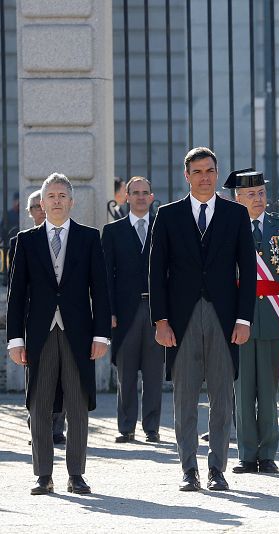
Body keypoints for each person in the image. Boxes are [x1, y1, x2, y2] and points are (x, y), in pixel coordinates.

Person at [149, 147, 256, 491]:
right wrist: (160, 320)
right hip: (181, 321)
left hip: (224, 319)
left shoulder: (236, 214)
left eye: (210, 170)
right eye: (198, 172)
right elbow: (156, 272)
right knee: (184, 397)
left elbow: (249, 270)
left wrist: (244, 319)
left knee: (223, 397)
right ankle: (187, 469)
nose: (205, 177)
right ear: (187, 176)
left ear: (216, 172)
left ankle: (217, 469)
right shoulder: (167, 215)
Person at [7, 173, 111, 495]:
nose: (56, 201)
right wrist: (15, 340)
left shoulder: (90, 238)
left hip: (78, 335)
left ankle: (76, 475)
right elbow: (16, 295)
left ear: (71, 201)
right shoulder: (26, 241)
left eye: (62, 195)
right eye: (50, 196)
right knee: (39, 405)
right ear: (41, 202)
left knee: (78, 406)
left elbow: (101, 291)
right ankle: (43, 475)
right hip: (39, 336)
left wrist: (101, 335)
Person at [228, 168, 279, 475]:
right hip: (241, 320)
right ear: (237, 198)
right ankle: (247, 454)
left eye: (261, 193)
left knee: (268, 391)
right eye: (251, 194)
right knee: (243, 390)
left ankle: (268, 453)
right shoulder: (230, 227)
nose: (258, 199)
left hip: (274, 317)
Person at [102, 176, 163, 444]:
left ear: (152, 197)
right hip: (125, 313)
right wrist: (110, 311)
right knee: (125, 374)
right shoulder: (113, 232)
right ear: (126, 197)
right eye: (135, 192)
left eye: (145, 192)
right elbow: (106, 277)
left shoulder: (163, 229)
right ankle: (125, 427)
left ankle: (152, 428)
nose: (140, 197)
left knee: (153, 374)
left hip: (155, 311)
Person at [10, 191, 67, 445]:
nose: (39, 211)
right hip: (35, 320)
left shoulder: (68, 238)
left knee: (63, 380)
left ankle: (57, 428)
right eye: (34, 207)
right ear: (31, 211)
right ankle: (37, 427)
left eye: (40, 206)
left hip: (64, 321)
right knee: (37, 379)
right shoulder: (21, 242)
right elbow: (16, 288)